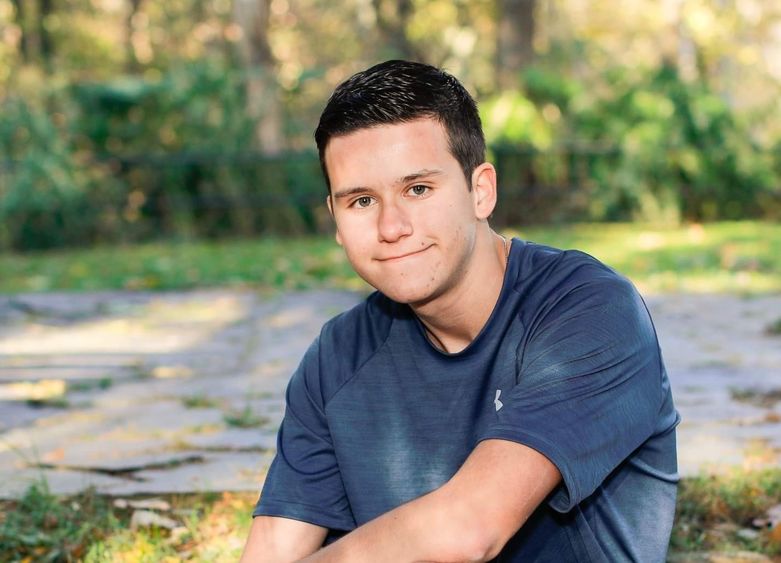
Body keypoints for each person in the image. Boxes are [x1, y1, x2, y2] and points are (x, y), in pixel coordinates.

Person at [240, 60, 679, 562]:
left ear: (481, 190)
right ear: (336, 220)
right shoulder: (339, 355)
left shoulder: (589, 310)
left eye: (418, 189)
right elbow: (271, 549)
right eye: (361, 201)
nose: (391, 226)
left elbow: (472, 528)